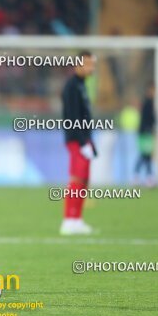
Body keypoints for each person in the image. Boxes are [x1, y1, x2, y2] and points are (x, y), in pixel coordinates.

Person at [60, 51, 97, 235]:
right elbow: (73, 116)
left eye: (92, 64)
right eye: (88, 64)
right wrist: (83, 142)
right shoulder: (72, 86)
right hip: (76, 139)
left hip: (84, 138)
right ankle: (68, 219)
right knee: (76, 179)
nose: (91, 68)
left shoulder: (82, 85)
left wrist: (90, 142)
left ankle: (77, 219)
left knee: (84, 180)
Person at [134, 84, 156, 187]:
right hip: (146, 133)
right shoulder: (148, 103)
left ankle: (143, 177)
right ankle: (143, 177)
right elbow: (149, 119)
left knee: (145, 156)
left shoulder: (148, 103)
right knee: (145, 155)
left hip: (145, 132)